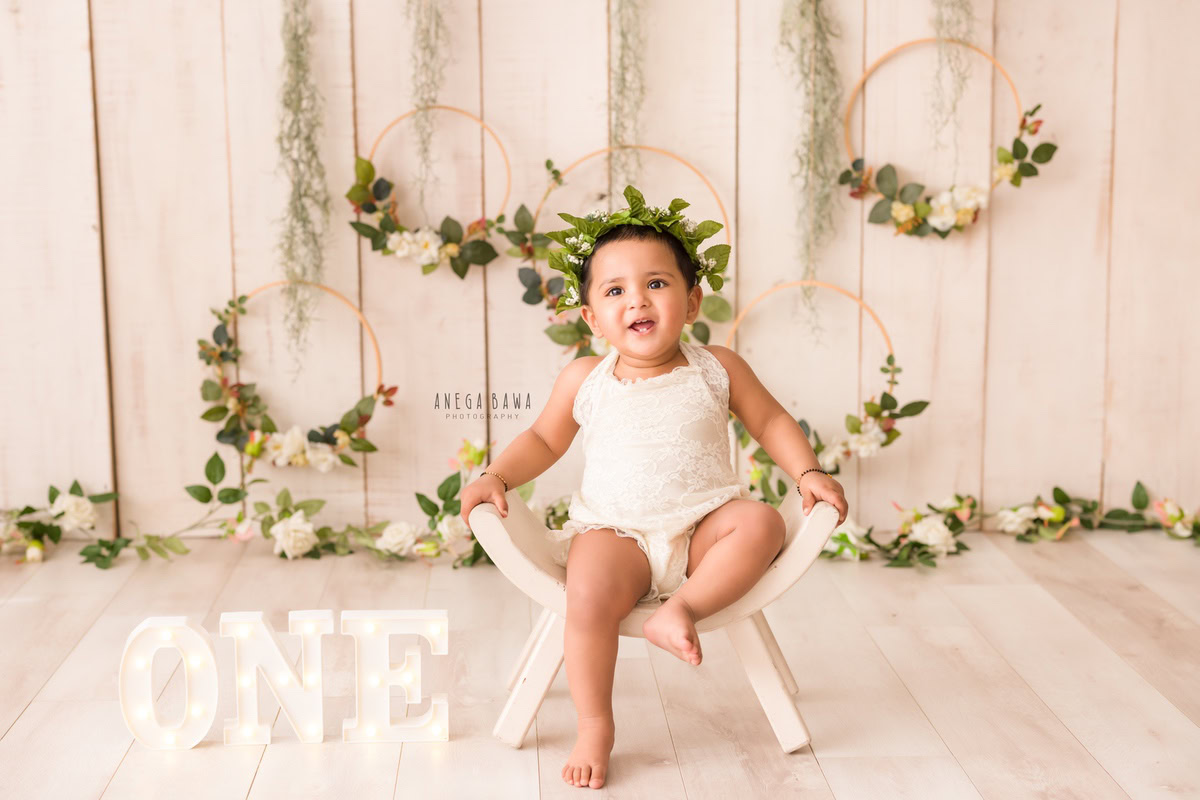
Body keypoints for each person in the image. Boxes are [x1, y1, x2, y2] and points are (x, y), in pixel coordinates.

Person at [460, 186, 848, 790]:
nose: (637, 299)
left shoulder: (717, 367)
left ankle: (682, 609)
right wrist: (494, 475)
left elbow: (770, 420)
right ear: (590, 316)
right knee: (586, 596)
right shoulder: (585, 379)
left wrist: (809, 471)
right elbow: (542, 439)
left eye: (657, 284)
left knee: (762, 523)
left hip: (702, 532)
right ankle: (594, 725)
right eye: (614, 291)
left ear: (692, 300)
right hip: (617, 535)